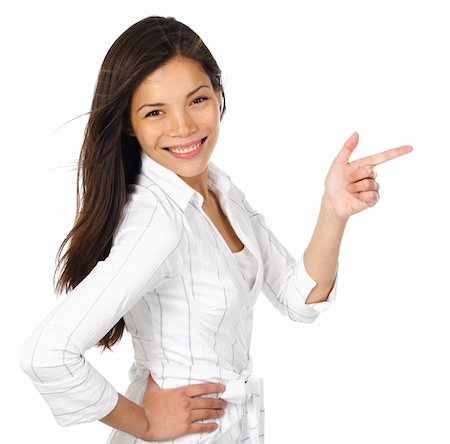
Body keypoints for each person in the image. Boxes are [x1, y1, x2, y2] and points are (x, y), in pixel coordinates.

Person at [19, 15, 413, 444]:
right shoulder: (158, 223)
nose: (184, 126)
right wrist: (145, 423)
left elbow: (298, 298)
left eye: (197, 100)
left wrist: (334, 210)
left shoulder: (219, 190)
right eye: (155, 112)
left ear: (219, 95)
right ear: (130, 124)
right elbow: (47, 354)